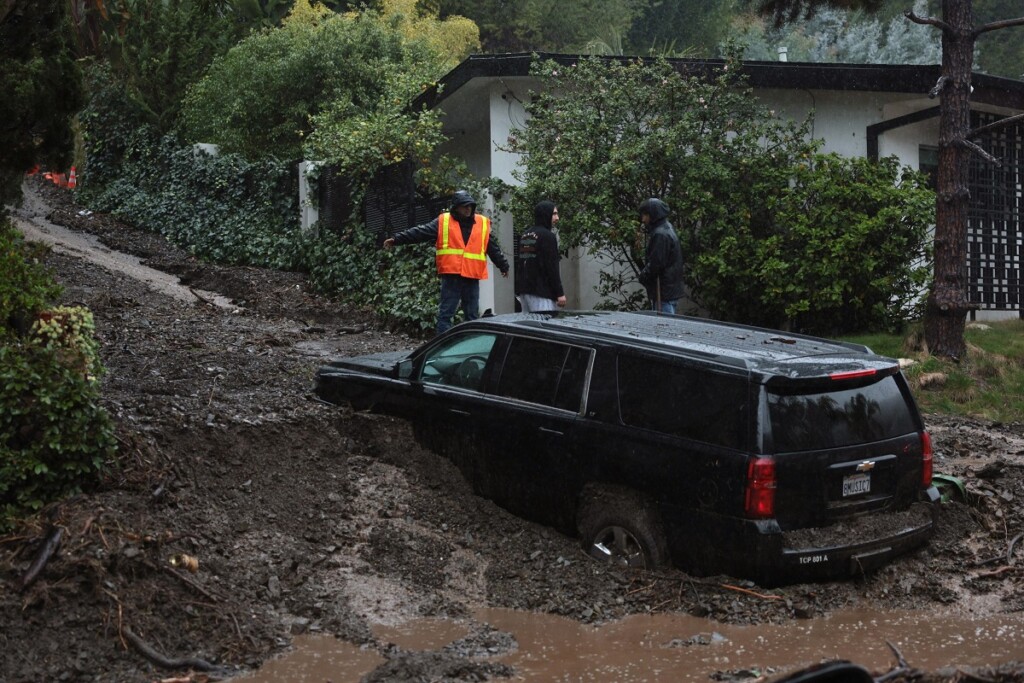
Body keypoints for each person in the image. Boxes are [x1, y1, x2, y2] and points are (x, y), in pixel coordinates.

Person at [383, 190, 509, 335]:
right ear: (456, 207)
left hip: (471, 276)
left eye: (470, 206)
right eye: (464, 206)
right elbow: (421, 232)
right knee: (446, 314)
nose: (468, 209)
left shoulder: (482, 223)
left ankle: (471, 346)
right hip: (452, 276)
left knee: (472, 316)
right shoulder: (444, 221)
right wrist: (397, 239)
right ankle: (443, 348)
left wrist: (502, 265)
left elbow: (491, 246)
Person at [515, 200, 567, 313]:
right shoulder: (548, 236)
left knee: (528, 327)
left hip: (525, 292)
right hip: (541, 293)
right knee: (544, 327)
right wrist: (560, 293)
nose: (557, 218)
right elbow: (552, 266)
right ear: (545, 214)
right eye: (554, 214)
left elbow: (522, 265)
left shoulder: (526, 235)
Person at [637, 197, 684, 315]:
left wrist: (643, 276)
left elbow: (656, 264)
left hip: (663, 292)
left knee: (664, 328)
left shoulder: (660, 235)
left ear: (653, 215)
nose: (643, 219)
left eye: (645, 215)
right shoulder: (667, 228)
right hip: (668, 291)